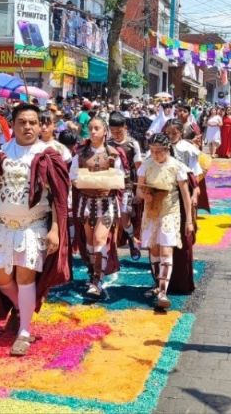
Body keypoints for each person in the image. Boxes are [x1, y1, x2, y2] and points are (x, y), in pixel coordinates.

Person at [0, 103, 70, 356]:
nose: (28, 127)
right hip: (2, 226)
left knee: (25, 278)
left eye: (33, 122)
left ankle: (24, 332)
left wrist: (55, 229)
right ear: (12, 125)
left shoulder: (48, 155)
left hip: (33, 227)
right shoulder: (0, 154)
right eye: (22, 122)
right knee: (1, 277)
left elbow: (58, 198)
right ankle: (23, 310)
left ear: (40, 126)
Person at [137, 133, 194, 309]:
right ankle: (156, 284)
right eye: (152, 151)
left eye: (159, 151)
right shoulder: (146, 165)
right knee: (154, 248)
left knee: (166, 248)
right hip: (151, 211)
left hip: (170, 211)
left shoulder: (177, 167)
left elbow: (186, 196)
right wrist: (144, 195)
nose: (155, 155)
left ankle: (163, 291)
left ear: (167, 149)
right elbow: (139, 190)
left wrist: (189, 221)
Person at [70, 117, 126, 298]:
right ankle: (92, 271)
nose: (93, 131)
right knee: (90, 242)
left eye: (97, 128)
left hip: (106, 202)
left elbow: (120, 179)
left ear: (104, 131)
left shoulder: (114, 154)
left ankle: (97, 280)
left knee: (100, 238)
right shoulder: (80, 153)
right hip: (86, 202)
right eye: (90, 128)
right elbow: (72, 177)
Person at [108, 111, 143, 258]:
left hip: (126, 186)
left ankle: (130, 238)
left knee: (124, 217)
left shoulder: (132, 144)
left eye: (119, 131)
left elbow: (140, 167)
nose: (116, 134)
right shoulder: (107, 144)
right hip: (109, 185)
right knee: (111, 218)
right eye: (113, 131)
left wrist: (140, 189)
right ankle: (112, 249)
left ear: (125, 128)